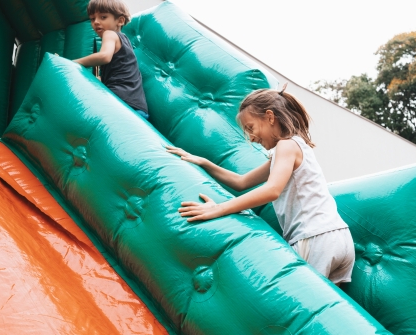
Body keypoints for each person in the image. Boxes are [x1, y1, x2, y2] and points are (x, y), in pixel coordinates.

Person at [166, 85, 355, 285]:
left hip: (314, 238)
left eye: (251, 128)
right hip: (339, 238)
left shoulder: (286, 145)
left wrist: (218, 209)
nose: (252, 138)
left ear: (270, 117)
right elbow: (241, 182)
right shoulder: (295, 147)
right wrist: (204, 162)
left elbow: (272, 190)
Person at [73, 0, 149, 119]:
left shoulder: (110, 34)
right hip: (138, 108)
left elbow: (104, 56)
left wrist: (73, 63)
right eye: (92, 19)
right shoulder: (125, 41)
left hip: (120, 101)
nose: (96, 22)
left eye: (103, 17)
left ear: (120, 20)